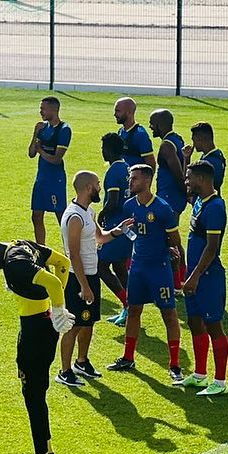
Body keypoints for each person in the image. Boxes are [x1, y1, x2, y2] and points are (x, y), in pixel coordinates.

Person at [0, 233, 75, 454]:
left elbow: (53, 282)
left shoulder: (14, 263)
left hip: (34, 332)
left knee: (33, 396)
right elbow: (62, 264)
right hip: (43, 325)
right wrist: (53, 309)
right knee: (38, 393)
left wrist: (59, 309)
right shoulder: (20, 243)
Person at [107, 164, 184, 382]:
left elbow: (175, 240)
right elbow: (129, 230)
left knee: (168, 313)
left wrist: (167, 250)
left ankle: (175, 364)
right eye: (130, 178)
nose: (130, 182)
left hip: (159, 268)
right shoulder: (130, 205)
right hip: (138, 267)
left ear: (147, 181)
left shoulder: (162, 209)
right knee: (133, 311)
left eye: (135, 179)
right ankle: (128, 357)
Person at [56, 170, 126, 387]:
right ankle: (65, 371)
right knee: (75, 324)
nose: (100, 188)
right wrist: (85, 286)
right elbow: (73, 254)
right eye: (97, 184)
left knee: (88, 322)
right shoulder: (74, 217)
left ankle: (82, 361)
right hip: (78, 278)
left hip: (91, 275)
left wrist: (118, 231)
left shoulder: (89, 212)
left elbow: (99, 237)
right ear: (88, 188)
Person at [181, 162, 228, 396]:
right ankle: (200, 375)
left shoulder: (216, 207)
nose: (187, 182)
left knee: (213, 326)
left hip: (208, 277)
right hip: (195, 275)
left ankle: (220, 382)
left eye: (189, 178)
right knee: (194, 322)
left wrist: (195, 276)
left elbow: (212, 248)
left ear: (201, 179)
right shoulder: (200, 201)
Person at [150, 108, 188, 290]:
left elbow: (178, 173)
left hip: (169, 199)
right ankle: (180, 280)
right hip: (174, 198)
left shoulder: (167, 145)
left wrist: (187, 193)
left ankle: (177, 282)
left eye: (152, 122)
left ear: (160, 123)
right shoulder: (178, 139)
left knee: (169, 240)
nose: (150, 126)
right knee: (172, 240)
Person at [98, 133, 133, 326]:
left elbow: (113, 201)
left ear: (110, 149)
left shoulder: (113, 171)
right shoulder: (127, 167)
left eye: (103, 148)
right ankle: (129, 308)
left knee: (100, 266)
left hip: (116, 226)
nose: (102, 152)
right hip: (127, 225)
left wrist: (101, 215)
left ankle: (128, 304)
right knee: (119, 266)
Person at [28, 96, 71, 246]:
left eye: (43, 109)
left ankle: (70, 250)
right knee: (36, 216)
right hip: (41, 179)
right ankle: (42, 250)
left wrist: (40, 150)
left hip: (55, 180)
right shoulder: (42, 128)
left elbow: (56, 159)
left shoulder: (64, 130)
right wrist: (35, 134)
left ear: (54, 109)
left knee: (61, 216)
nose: (41, 112)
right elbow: (31, 153)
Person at [113, 97, 157, 170]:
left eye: (118, 111)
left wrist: (146, 180)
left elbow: (150, 162)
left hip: (136, 179)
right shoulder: (121, 131)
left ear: (129, 113)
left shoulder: (140, 134)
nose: (114, 114)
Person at [183, 121, 226, 193]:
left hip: (207, 202)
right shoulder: (216, 154)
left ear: (199, 138)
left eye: (194, 140)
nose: (193, 144)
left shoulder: (211, 161)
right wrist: (187, 158)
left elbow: (191, 184)